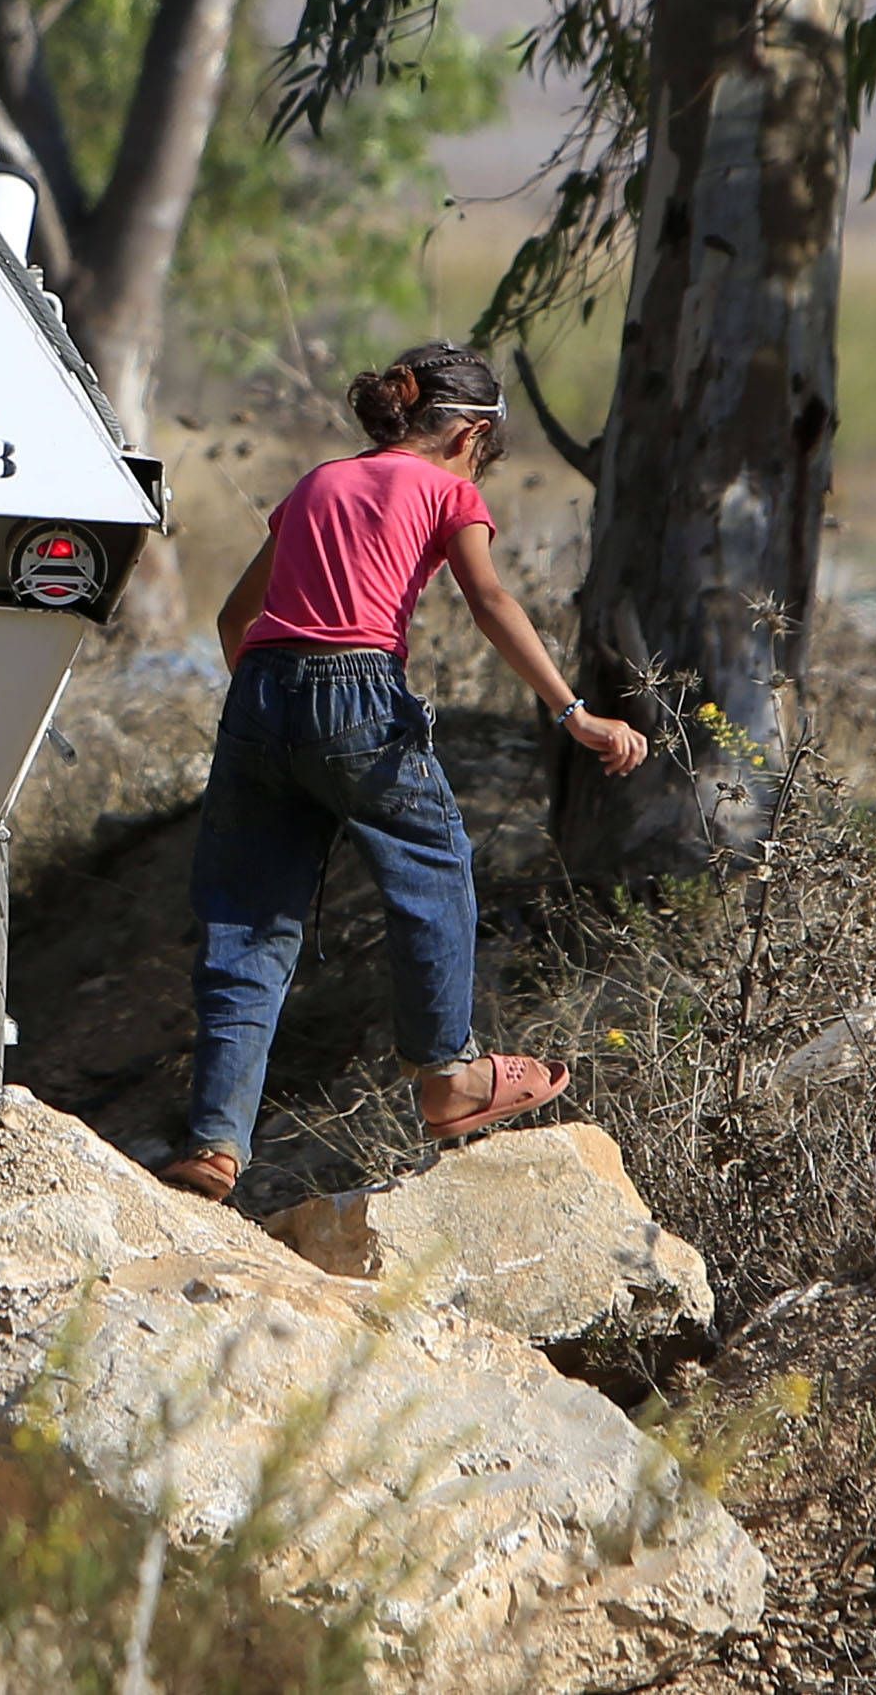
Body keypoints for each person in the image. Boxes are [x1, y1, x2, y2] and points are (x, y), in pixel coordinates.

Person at [158, 343, 651, 1204]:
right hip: (358, 691)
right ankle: (448, 1074)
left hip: (261, 693)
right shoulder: (449, 490)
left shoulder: (318, 484)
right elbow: (491, 599)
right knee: (432, 870)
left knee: (247, 921)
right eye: (487, 450)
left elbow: (235, 617)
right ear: (469, 431)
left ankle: (215, 1141)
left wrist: (274, 722)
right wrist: (576, 712)